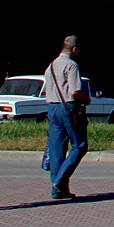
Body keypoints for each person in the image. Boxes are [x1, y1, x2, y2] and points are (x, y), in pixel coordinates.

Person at [42, 35, 90, 201]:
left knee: (57, 149)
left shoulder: (51, 66)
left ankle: (58, 191)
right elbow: (75, 91)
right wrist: (86, 98)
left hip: (52, 108)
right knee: (80, 145)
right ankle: (59, 182)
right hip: (68, 109)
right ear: (75, 49)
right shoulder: (71, 65)